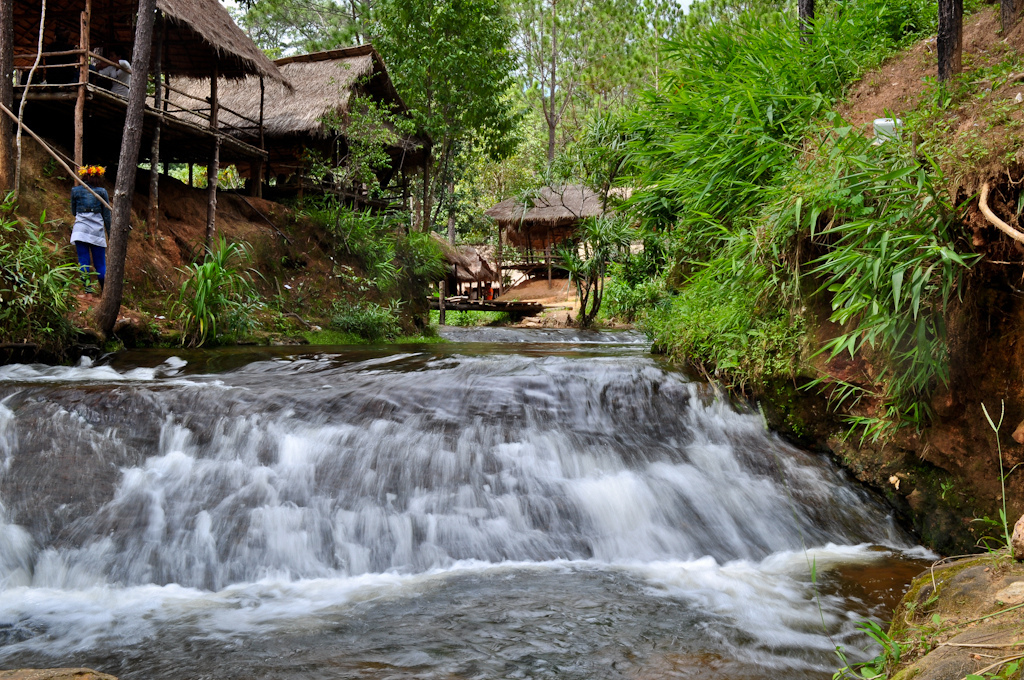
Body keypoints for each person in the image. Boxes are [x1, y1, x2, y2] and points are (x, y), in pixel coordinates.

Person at [70, 165, 111, 294]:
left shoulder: (75, 191)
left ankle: (88, 294)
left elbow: (73, 212)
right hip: (96, 232)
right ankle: (105, 294)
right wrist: (110, 235)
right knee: (100, 265)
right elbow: (107, 216)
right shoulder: (102, 192)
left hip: (80, 231)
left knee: (84, 262)